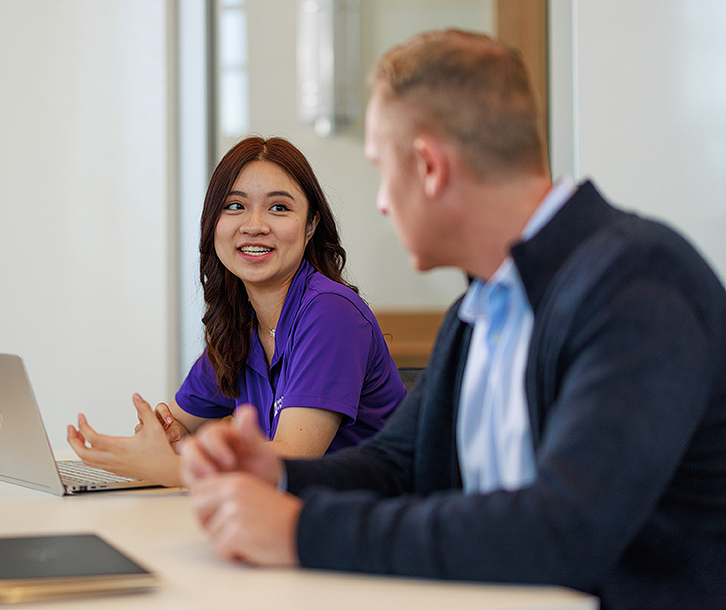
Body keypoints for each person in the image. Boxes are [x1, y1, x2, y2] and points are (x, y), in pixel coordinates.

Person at [181, 30, 726, 609]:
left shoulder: (636, 283)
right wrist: (280, 476)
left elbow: (563, 529)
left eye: (381, 170)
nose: (383, 202)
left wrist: (299, 532)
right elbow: (398, 465)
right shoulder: (482, 305)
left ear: (428, 167)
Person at [67, 137, 404, 487]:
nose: (254, 225)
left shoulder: (331, 313)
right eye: (234, 206)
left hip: (364, 527)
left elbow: (293, 462)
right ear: (213, 223)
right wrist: (168, 436)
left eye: (279, 208)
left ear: (310, 226)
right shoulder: (240, 323)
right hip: (287, 522)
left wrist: (173, 469)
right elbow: (179, 422)